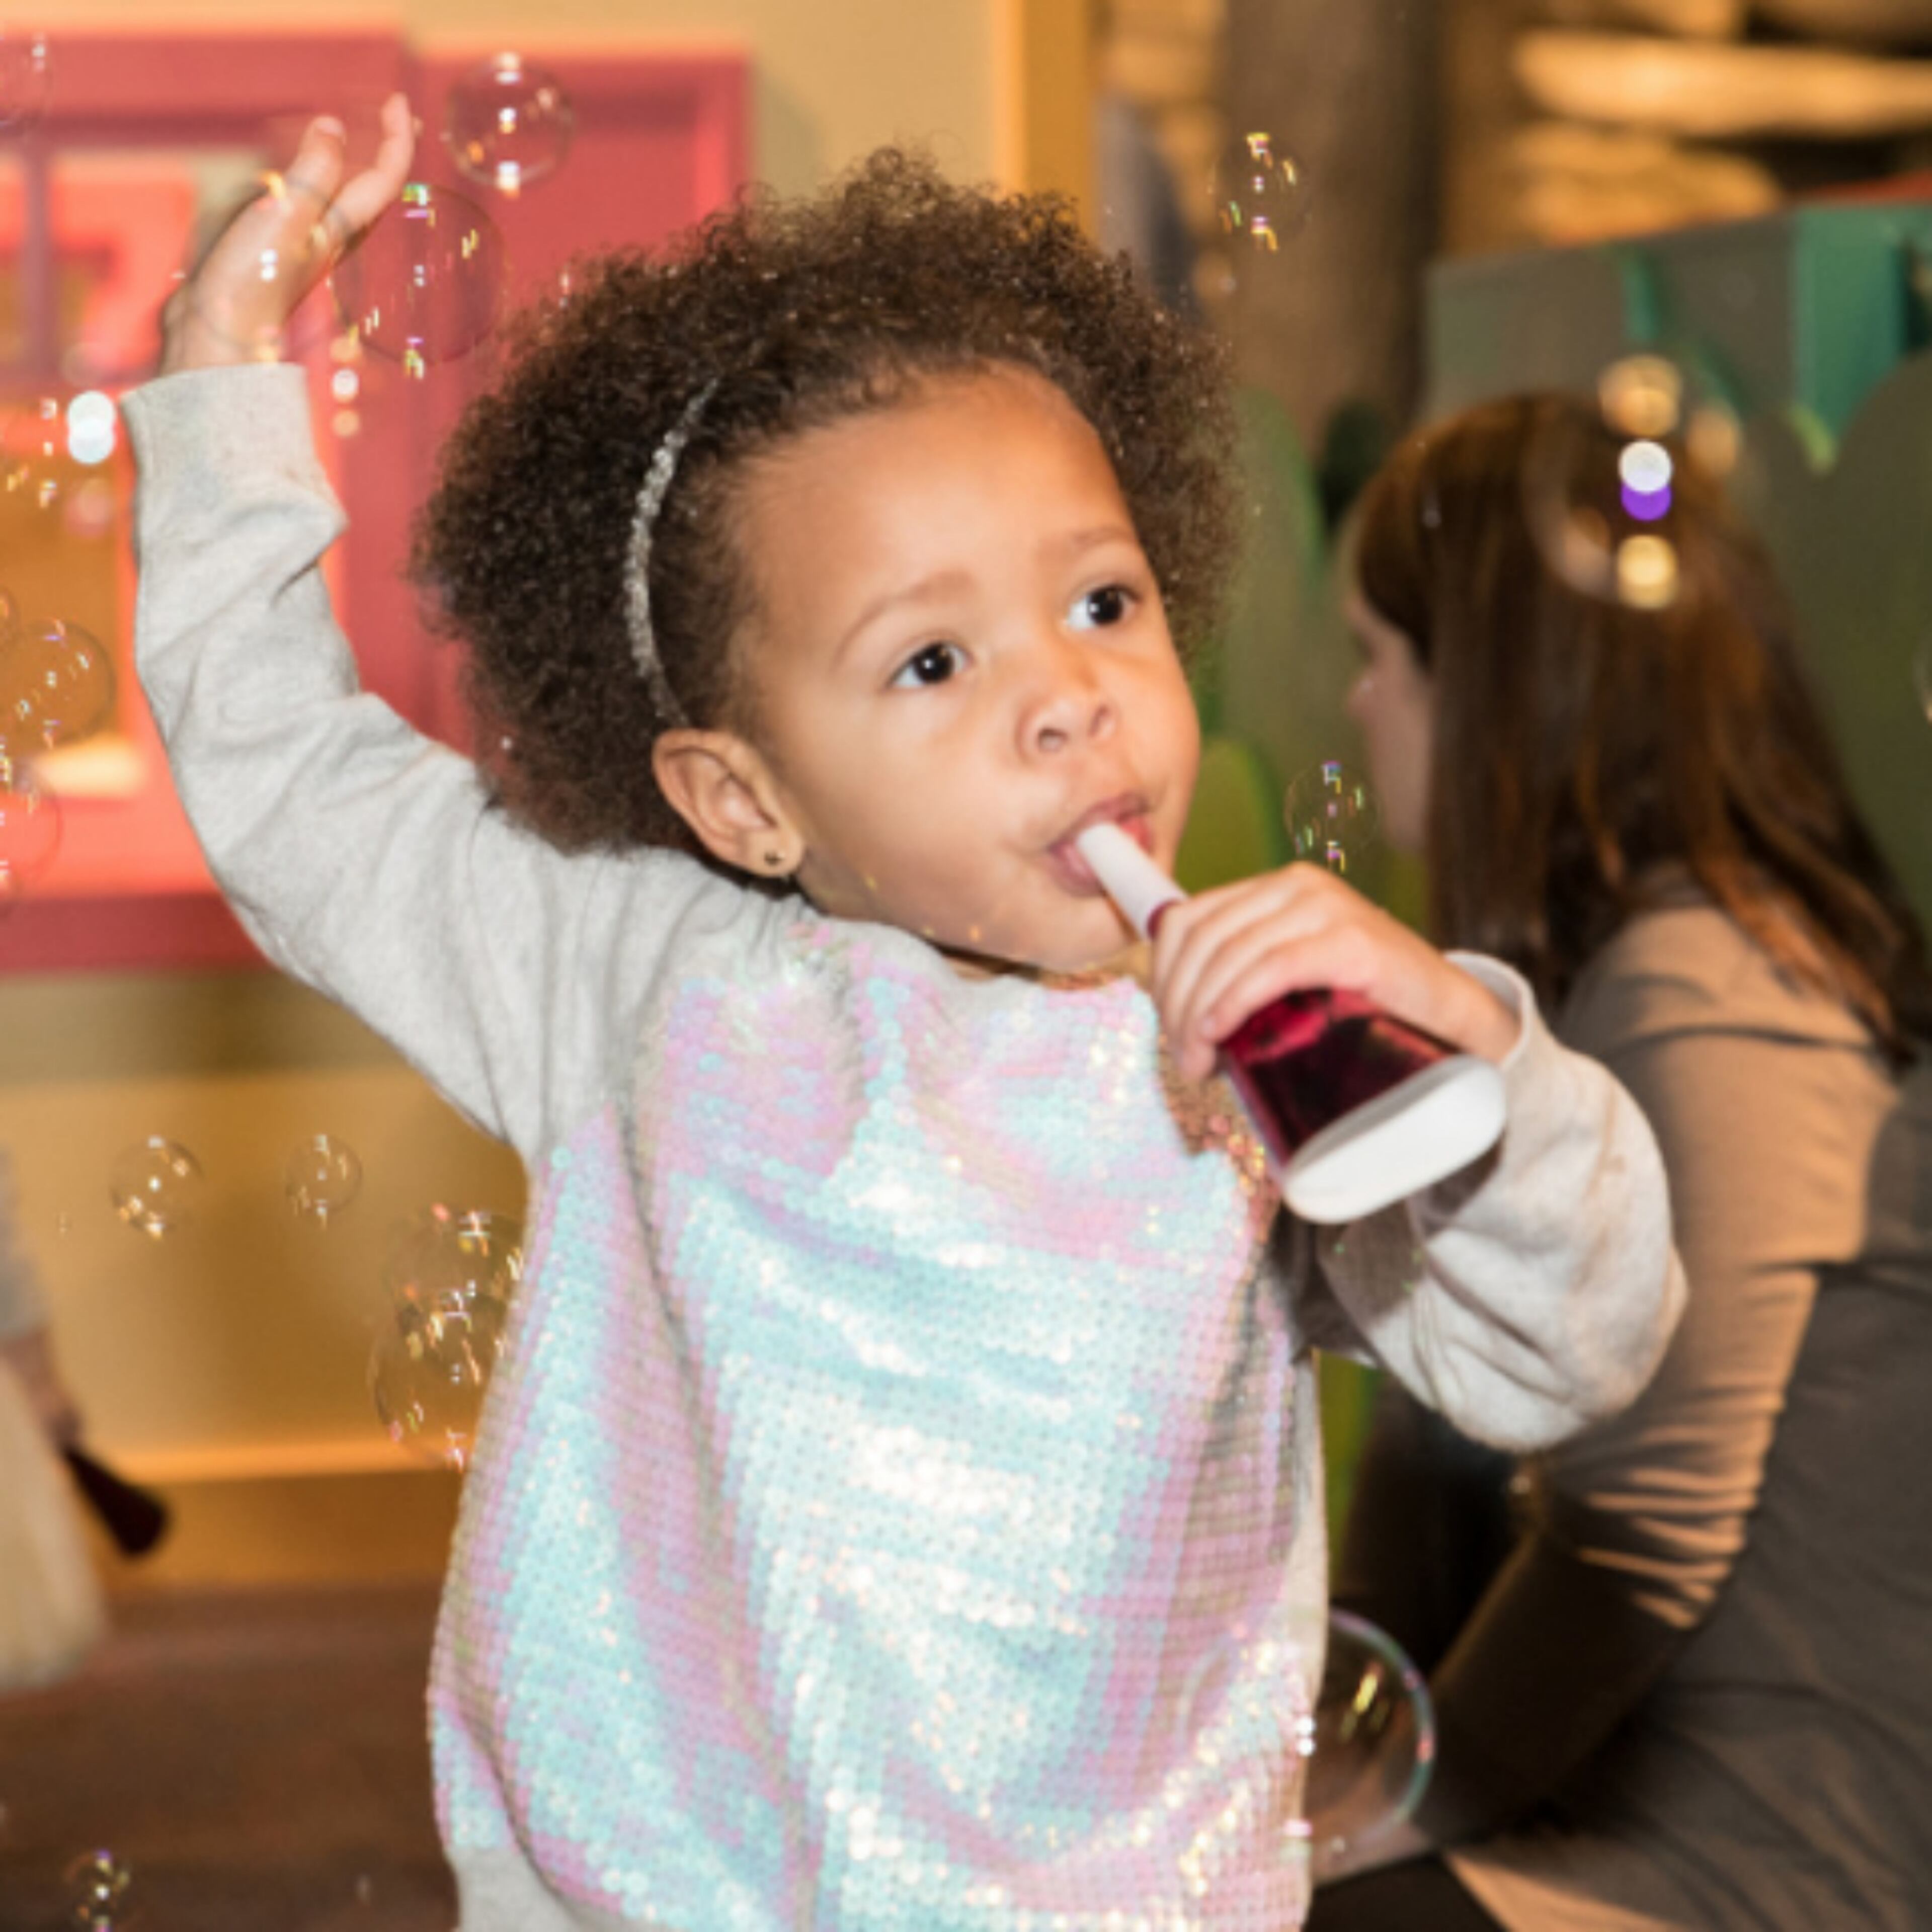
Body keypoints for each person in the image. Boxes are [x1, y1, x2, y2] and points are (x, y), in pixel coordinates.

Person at [130, 102, 1682, 1931]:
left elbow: (1566, 1351)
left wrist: (1472, 1054)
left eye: (1104, 602)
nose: (1068, 700)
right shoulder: (645, 985)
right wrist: (221, 390)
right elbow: (304, 797)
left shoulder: (1257, 1052)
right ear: (742, 802)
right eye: (934, 660)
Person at [1311, 393, 1932, 1930]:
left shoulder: (1707, 985)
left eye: (1377, 658)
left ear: (1498, 691)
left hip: (1753, 1864)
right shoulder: (1610, 981)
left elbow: (1638, 1546)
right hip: (1616, 1814)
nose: (1352, 706)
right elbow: (1431, 1456)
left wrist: (1354, 1837)